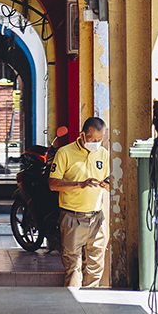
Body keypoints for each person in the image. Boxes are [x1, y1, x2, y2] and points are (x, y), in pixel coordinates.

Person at [47, 116, 110, 288]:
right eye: (92, 139)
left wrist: (108, 184)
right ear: (82, 135)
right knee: (73, 266)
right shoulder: (64, 153)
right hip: (72, 217)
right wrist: (80, 184)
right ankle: (72, 303)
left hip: (97, 217)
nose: (96, 143)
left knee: (96, 266)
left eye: (99, 140)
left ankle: (91, 302)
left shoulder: (103, 154)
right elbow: (53, 184)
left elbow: (109, 178)